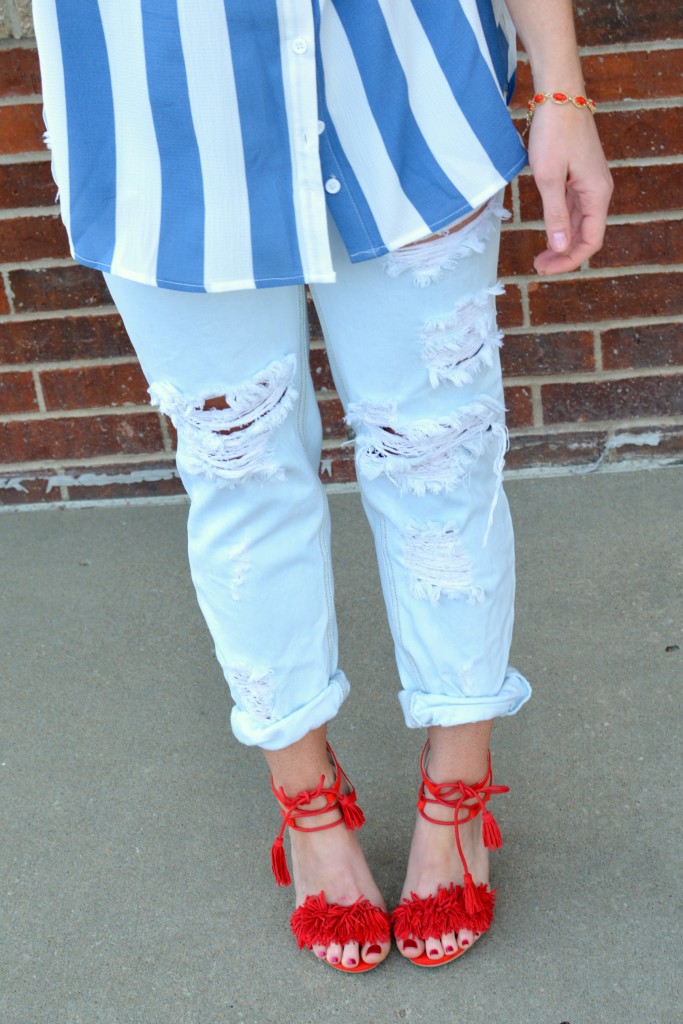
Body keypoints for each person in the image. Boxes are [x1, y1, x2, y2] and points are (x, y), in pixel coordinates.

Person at [32, 0, 612, 972]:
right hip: (162, 114)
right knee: (238, 477)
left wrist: (559, 83)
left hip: (402, 79)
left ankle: (457, 789)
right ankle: (306, 802)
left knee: (441, 461)